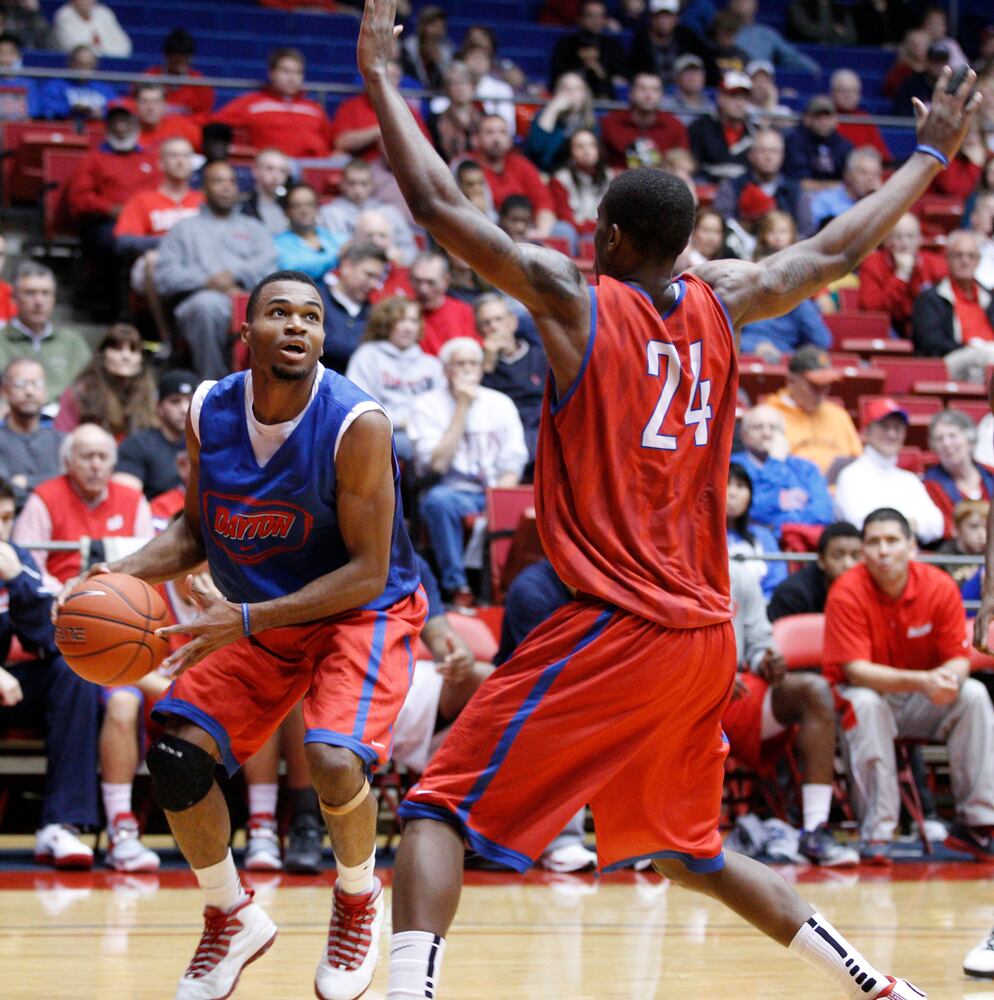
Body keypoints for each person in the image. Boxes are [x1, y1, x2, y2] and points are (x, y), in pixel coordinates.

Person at [360, 2, 978, 993]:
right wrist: (927, 160)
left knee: (434, 804)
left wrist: (384, 80)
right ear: (685, 244)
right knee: (688, 847)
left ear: (607, 235)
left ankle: (406, 989)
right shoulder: (722, 298)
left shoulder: (572, 300)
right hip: (704, 640)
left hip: (620, 622)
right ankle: (882, 986)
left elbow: (435, 204)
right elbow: (831, 255)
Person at [52, 268, 426, 998]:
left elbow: (368, 572)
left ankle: (357, 898)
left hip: (362, 611)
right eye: (279, 313)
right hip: (260, 611)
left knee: (333, 760)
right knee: (175, 757)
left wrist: (244, 618)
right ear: (245, 332)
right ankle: (230, 913)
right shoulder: (210, 408)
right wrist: (111, 576)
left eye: (312, 317)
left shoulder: (358, 423)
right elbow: (196, 528)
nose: (297, 327)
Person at [824, 507, 994, 865]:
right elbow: (856, 671)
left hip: (922, 698)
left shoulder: (938, 585)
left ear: (911, 546)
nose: (883, 551)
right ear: (864, 549)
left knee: (974, 694)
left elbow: (959, 658)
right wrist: (925, 681)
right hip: (872, 697)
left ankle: (979, 825)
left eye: (891, 541)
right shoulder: (846, 591)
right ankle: (878, 832)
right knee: (865, 703)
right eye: (873, 542)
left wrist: (950, 679)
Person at [723, 557, 859, 867]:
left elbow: (758, 641)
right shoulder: (661, 569)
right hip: (678, 692)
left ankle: (814, 829)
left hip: (734, 692)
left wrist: (766, 660)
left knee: (813, 691)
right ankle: (661, 837)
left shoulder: (737, 575)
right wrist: (709, 672)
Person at [0, 476, 101, 871]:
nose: (0, 529)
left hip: (14, 690)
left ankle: (61, 824)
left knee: (73, 673)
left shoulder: (18, 558)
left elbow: (53, 635)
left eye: (6, 518)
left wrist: (18, 580)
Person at [408, 336, 527, 604]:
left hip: (495, 490)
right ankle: (457, 586)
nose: (467, 370)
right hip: (452, 491)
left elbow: (513, 461)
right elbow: (436, 464)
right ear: (446, 370)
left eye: (473, 363)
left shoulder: (500, 403)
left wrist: (497, 502)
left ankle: (509, 588)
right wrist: (462, 406)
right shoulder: (427, 405)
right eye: (460, 364)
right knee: (438, 502)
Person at [154, 160, 277, 380]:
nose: (227, 187)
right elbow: (165, 276)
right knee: (207, 306)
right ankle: (214, 385)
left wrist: (235, 274)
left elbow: (269, 266)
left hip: (247, 297)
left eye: (231, 181)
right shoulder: (184, 229)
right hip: (199, 301)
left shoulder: (254, 228)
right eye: (218, 181)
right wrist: (207, 281)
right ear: (204, 188)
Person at [344, 296, 443, 461]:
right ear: (386, 324)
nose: (408, 328)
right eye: (401, 320)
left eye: (413, 321)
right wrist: (401, 421)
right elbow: (360, 409)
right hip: (384, 434)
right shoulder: (367, 356)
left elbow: (442, 409)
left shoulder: (432, 365)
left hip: (427, 434)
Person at [833, 397, 945, 543]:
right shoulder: (850, 476)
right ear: (867, 431)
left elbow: (937, 527)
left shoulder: (909, 480)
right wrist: (911, 524)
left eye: (897, 428)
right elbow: (860, 524)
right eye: (884, 426)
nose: (891, 434)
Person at [213, 47, 335, 159]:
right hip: (274, 167)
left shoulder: (314, 108)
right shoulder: (251, 104)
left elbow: (330, 141)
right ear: (271, 73)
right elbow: (215, 124)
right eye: (286, 71)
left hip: (313, 167)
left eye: (298, 72)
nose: (292, 78)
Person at [740, 216, 832, 360]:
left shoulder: (797, 301)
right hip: (743, 360)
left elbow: (823, 341)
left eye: (772, 274)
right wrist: (750, 346)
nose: (766, 281)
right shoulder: (743, 296)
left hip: (784, 361)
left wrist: (798, 299)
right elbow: (721, 336)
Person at [732, 405, 833, 535]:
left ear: (784, 434)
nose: (766, 434)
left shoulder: (807, 468)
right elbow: (753, 512)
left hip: (801, 544)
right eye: (758, 427)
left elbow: (823, 514)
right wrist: (774, 464)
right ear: (744, 436)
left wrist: (780, 526)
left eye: (773, 428)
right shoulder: (733, 467)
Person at [764, 345, 863, 476]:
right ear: (791, 381)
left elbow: (858, 461)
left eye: (826, 385)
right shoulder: (769, 415)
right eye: (815, 386)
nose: (821, 392)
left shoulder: (839, 415)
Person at [911, 230, 994, 383]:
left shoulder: (990, 297)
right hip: (954, 359)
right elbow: (929, 341)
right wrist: (969, 347)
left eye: (971, 256)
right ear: (947, 258)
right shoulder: (931, 298)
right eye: (959, 255)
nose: (965, 261)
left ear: (978, 260)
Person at [0, 263, 91, 400]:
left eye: (46, 293)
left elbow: (93, 388)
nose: (39, 301)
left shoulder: (72, 343)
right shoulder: (2, 340)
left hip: (65, 418)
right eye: (30, 293)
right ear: (14, 298)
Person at [476, 293, 547, 464]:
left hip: (537, 427)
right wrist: (488, 362)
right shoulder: (475, 362)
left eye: (498, 319)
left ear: (513, 322)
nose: (493, 326)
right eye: (486, 322)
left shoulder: (541, 357)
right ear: (479, 330)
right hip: (497, 430)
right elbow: (477, 404)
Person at [54, 324, 157, 439]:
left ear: (141, 359)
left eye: (133, 350)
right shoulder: (79, 393)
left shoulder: (150, 396)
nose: (126, 356)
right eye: (118, 349)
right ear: (103, 355)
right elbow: (62, 438)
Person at [468, 115, 558, 239]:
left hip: (524, 231)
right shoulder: (466, 166)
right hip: (482, 232)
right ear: (476, 139)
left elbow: (543, 202)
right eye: (489, 132)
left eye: (502, 132)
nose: (496, 138)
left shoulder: (522, 165)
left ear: (510, 140)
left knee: (563, 230)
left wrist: (542, 232)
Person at [713, 129, 814, 240]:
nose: (769, 157)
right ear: (751, 155)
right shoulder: (732, 186)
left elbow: (806, 231)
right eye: (762, 151)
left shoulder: (796, 190)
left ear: (783, 156)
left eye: (774, 151)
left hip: (785, 253)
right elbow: (721, 225)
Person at [858, 212, 946, 337]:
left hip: (924, 327)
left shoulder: (936, 264)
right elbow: (871, 310)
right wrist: (901, 275)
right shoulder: (872, 264)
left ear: (920, 239)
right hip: (888, 327)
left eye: (910, 237)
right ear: (886, 240)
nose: (905, 243)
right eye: (898, 237)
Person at [318, 159, 416, 268]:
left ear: (372, 185)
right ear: (342, 184)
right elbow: (325, 252)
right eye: (352, 183)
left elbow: (411, 250)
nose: (358, 189)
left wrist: (401, 256)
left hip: (390, 270)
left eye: (364, 183)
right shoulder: (329, 213)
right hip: (348, 270)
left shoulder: (390, 212)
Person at [115, 368, 196, 500]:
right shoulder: (137, 446)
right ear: (159, 407)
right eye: (175, 401)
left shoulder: (207, 445)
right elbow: (124, 501)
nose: (184, 409)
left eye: (190, 401)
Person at [0, 358, 62, 511]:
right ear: (4, 391)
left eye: (37, 384)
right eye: (20, 384)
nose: (29, 391)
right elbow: (7, 494)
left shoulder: (62, 441)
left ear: (46, 391)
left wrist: (27, 481)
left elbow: (73, 490)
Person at [768, 521, 863, 620]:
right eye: (838, 556)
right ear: (821, 560)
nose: (848, 564)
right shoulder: (792, 595)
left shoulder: (868, 588)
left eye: (855, 556)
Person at [922, 409, 994, 539]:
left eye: (952, 436)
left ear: (970, 440)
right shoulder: (929, 484)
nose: (946, 444)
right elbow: (944, 526)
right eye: (939, 439)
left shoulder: (991, 475)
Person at [320, 240, 388, 374]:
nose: (374, 284)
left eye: (378, 278)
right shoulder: (316, 301)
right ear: (346, 267)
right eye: (369, 275)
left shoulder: (375, 314)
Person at [600, 71, 689, 171]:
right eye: (642, 89)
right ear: (631, 93)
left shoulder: (675, 126)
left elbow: (684, 164)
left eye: (655, 90)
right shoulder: (610, 123)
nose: (648, 95)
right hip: (618, 182)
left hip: (662, 182)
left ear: (662, 95)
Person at [727, 461, 787, 601]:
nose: (733, 493)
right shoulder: (701, 537)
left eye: (740, 486)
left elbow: (777, 580)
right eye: (726, 484)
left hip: (762, 611)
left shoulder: (763, 536)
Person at [548, 0, 626, 100]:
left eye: (600, 16)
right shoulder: (566, 44)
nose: (596, 21)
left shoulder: (612, 46)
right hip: (570, 98)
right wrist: (583, 66)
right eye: (591, 16)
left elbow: (622, 77)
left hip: (605, 98)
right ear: (580, 18)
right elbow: (557, 77)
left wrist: (599, 70)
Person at [688, 70, 757, 182]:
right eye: (733, 96)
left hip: (745, 192)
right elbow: (695, 167)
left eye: (744, 97)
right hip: (707, 190)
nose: (739, 103)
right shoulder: (699, 128)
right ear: (720, 98)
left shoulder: (756, 132)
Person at [522, 71, 595, 174]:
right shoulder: (543, 115)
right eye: (566, 88)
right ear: (557, 93)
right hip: (546, 174)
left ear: (585, 94)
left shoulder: (591, 123)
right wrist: (552, 110)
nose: (571, 93)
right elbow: (536, 149)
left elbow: (594, 158)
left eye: (577, 89)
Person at [407, 251, 478, 356]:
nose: (423, 289)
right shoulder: (401, 313)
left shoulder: (464, 312)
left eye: (431, 282)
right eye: (417, 281)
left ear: (446, 281)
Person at [549, 128, 614, 241]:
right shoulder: (561, 179)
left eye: (591, 145)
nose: (587, 151)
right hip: (576, 233)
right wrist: (593, 227)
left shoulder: (611, 177)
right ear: (570, 152)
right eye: (579, 146)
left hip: (603, 231)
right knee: (561, 230)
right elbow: (565, 218)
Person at [274, 182, 345, 282]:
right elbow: (292, 271)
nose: (304, 210)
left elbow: (350, 247)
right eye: (297, 206)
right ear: (287, 211)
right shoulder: (278, 243)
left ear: (317, 208)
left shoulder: (331, 236)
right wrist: (336, 257)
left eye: (310, 204)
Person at [629, 0, 709, 85]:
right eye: (660, 16)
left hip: (680, 91)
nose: (664, 21)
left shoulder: (687, 38)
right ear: (652, 18)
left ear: (676, 18)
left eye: (668, 16)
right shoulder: (640, 41)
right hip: (651, 89)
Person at [728, 0, 820, 75]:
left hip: (760, 85)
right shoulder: (721, 32)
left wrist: (815, 69)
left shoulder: (767, 35)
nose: (741, 3)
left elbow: (792, 57)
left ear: (755, 4)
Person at [143, 27, 215, 121]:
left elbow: (205, 115)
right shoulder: (149, 78)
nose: (181, 64)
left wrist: (179, 125)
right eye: (177, 60)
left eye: (186, 59)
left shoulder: (200, 84)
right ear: (167, 56)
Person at [784, 96, 855, 185]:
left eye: (827, 117)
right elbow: (801, 183)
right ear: (807, 119)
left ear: (835, 120)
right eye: (818, 117)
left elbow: (851, 182)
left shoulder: (845, 145)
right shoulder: (795, 141)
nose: (823, 122)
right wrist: (837, 187)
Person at [809, 146, 883, 230]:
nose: (870, 179)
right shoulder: (825, 201)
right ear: (847, 174)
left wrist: (878, 200)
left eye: (875, 174)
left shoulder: (880, 204)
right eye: (863, 173)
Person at [39, 43, 118, 120]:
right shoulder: (54, 87)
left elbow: (117, 111)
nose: (84, 70)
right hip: (66, 129)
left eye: (89, 65)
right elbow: (46, 110)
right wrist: (71, 110)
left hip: (98, 130)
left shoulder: (105, 89)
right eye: (80, 64)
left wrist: (102, 113)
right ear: (70, 64)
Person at [830, 69, 891, 163]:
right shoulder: (825, 117)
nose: (848, 95)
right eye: (843, 90)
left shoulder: (864, 119)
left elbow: (883, 156)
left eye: (853, 91)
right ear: (832, 92)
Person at [428, 61, 483, 164]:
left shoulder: (485, 119)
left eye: (465, 82)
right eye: (454, 83)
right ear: (447, 88)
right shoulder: (435, 121)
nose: (460, 88)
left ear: (473, 87)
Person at [936, 498, 987, 595]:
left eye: (987, 527)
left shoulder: (990, 554)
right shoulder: (942, 559)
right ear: (955, 529)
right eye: (974, 527)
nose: (982, 534)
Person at [53, 0, 131, 58]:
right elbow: (76, 49)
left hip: (112, 68)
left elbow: (125, 46)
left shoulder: (104, 13)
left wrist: (100, 50)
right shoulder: (63, 16)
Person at [241, 148, 291, 238]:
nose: (276, 176)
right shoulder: (241, 206)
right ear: (255, 171)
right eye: (269, 169)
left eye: (282, 171)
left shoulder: (289, 205)